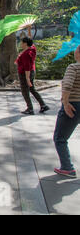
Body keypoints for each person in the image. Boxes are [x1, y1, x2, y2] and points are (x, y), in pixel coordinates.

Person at [53, 46, 80, 179]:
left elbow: (67, 85)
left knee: (60, 138)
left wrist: (65, 103)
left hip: (74, 105)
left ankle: (67, 168)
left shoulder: (73, 67)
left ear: (78, 53)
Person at [15, 37, 50, 115]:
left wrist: (27, 79)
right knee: (32, 89)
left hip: (25, 74)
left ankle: (30, 108)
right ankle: (43, 105)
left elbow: (27, 67)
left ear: (25, 43)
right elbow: (31, 41)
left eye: (22, 42)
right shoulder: (32, 49)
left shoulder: (26, 54)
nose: (21, 44)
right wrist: (29, 29)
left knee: (25, 91)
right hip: (31, 72)